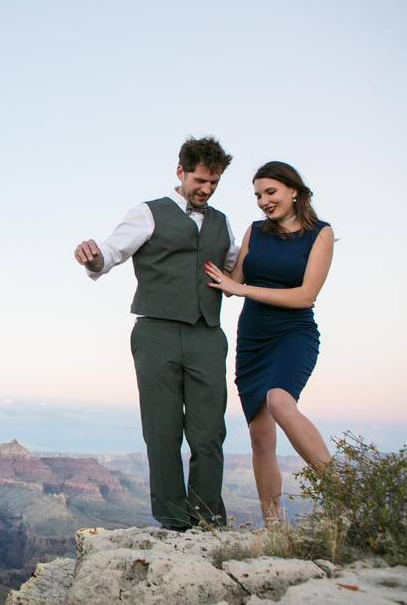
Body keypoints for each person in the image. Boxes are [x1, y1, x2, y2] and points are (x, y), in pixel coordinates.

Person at [74, 136, 237, 531]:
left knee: (209, 431)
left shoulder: (222, 222)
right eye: (200, 180)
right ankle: (172, 520)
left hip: (207, 335)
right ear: (180, 172)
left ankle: (208, 519)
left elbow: (236, 268)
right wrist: (94, 257)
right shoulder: (147, 213)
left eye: (213, 183)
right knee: (162, 431)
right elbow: (110, 253)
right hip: (156, 333)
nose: (206, 189)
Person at [203, 161, 334, 525]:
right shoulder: (255, 232)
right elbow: (233, 280)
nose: (263, 201)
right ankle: (274, 528)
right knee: (260, 439)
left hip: (293, 333)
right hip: (253, 340)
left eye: (270, 192)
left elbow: (306, 296)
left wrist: (241, 289)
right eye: (258, 195)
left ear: (294, 190)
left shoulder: (320, 234)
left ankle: (342, 492)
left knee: (279, 399)